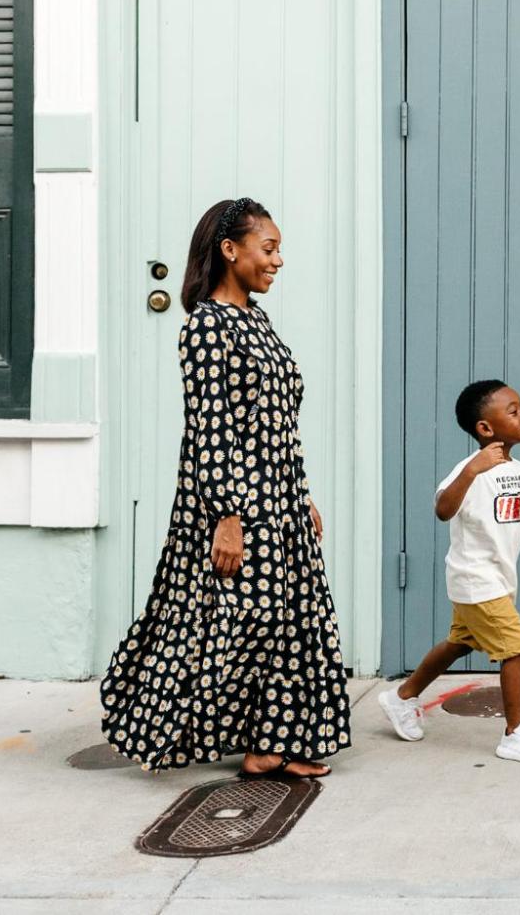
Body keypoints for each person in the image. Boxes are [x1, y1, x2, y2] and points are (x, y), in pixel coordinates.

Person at [101, 198, 351, 778]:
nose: (279, 261)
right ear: (229, 250)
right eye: (269, 249)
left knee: (289, 621)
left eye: (279, 249)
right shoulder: (207, 328)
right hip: (236, 499)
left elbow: (274, 418)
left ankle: (270, 746)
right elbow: (211, 429)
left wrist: (301, 492)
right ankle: (170, 724)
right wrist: (228, 516)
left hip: (279, 496)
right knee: (243, 620)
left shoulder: (255, 320)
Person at [376, 380, 520, 764]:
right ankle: (515, 733)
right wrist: (471, 472)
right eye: (513, 411)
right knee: (515, 645)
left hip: (497, 579)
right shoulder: (469, 470)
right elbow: (444, 509)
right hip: (474, 578)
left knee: (459, 642)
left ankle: (401, 697)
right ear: (485, 429)